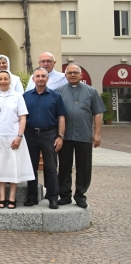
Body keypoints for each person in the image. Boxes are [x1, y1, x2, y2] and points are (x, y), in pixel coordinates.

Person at [55, 64, 106, 209]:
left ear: (81, 75)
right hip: (65, 136)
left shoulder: (91, 91)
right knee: (64, 166)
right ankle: (65, 195)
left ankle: (80, 195)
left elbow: (97, 113)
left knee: (83, 166)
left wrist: (97, 134)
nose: (72, 75)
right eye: (69, 73)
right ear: (65, 75)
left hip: (84, 134)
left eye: (75, 73)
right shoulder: (59, 92)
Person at [0, 70, 34, 209]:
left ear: (10, 80)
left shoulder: (18, 96)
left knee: (13, 167)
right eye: (0, 79)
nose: (3, 81)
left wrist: (19, 136)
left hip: (14, 136)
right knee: (0, 168)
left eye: (5, 79)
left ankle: (12, 197)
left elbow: (23, 117)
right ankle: (1, 197)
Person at [22, 67, 66, 210]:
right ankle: (32, 196)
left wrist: (60, 136)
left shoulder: (55, 96)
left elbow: (61, 117)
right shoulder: (25, 96)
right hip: (30, 134)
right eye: (37, 76)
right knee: (31, 167)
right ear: (33, 79)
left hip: (49, 134)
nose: (40, 78)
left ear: (47, 79)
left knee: (51, 168)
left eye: (43, 76)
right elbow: (21, 117)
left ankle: (53, 197)